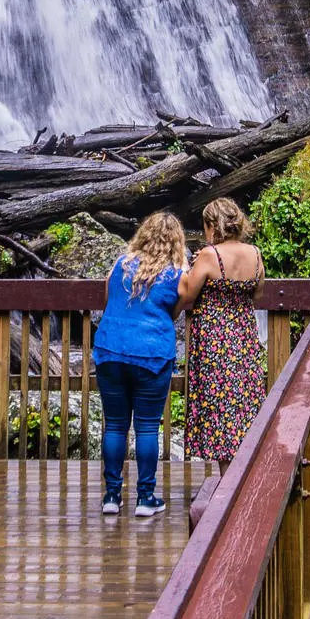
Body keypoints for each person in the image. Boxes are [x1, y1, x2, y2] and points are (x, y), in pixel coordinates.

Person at [92, 211, 186, 517]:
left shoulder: (122, 264)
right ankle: (145, 498)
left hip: (111, 348)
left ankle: (111, 496)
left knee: (115, 425)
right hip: (151, 353)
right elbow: (176, 310)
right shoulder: (177, 274)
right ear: (176, 242)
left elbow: (108, 300)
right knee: (147, 427)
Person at [178, 197, 267, 472]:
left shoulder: (209, 255)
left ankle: (227, 481)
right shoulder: (255, 252)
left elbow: (188, 293)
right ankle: (242, 473)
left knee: (218, 407)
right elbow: (258, 293)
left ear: (212, 226)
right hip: (243, 335)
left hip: (215, 339)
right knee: (243, 402)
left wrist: (184, 267)